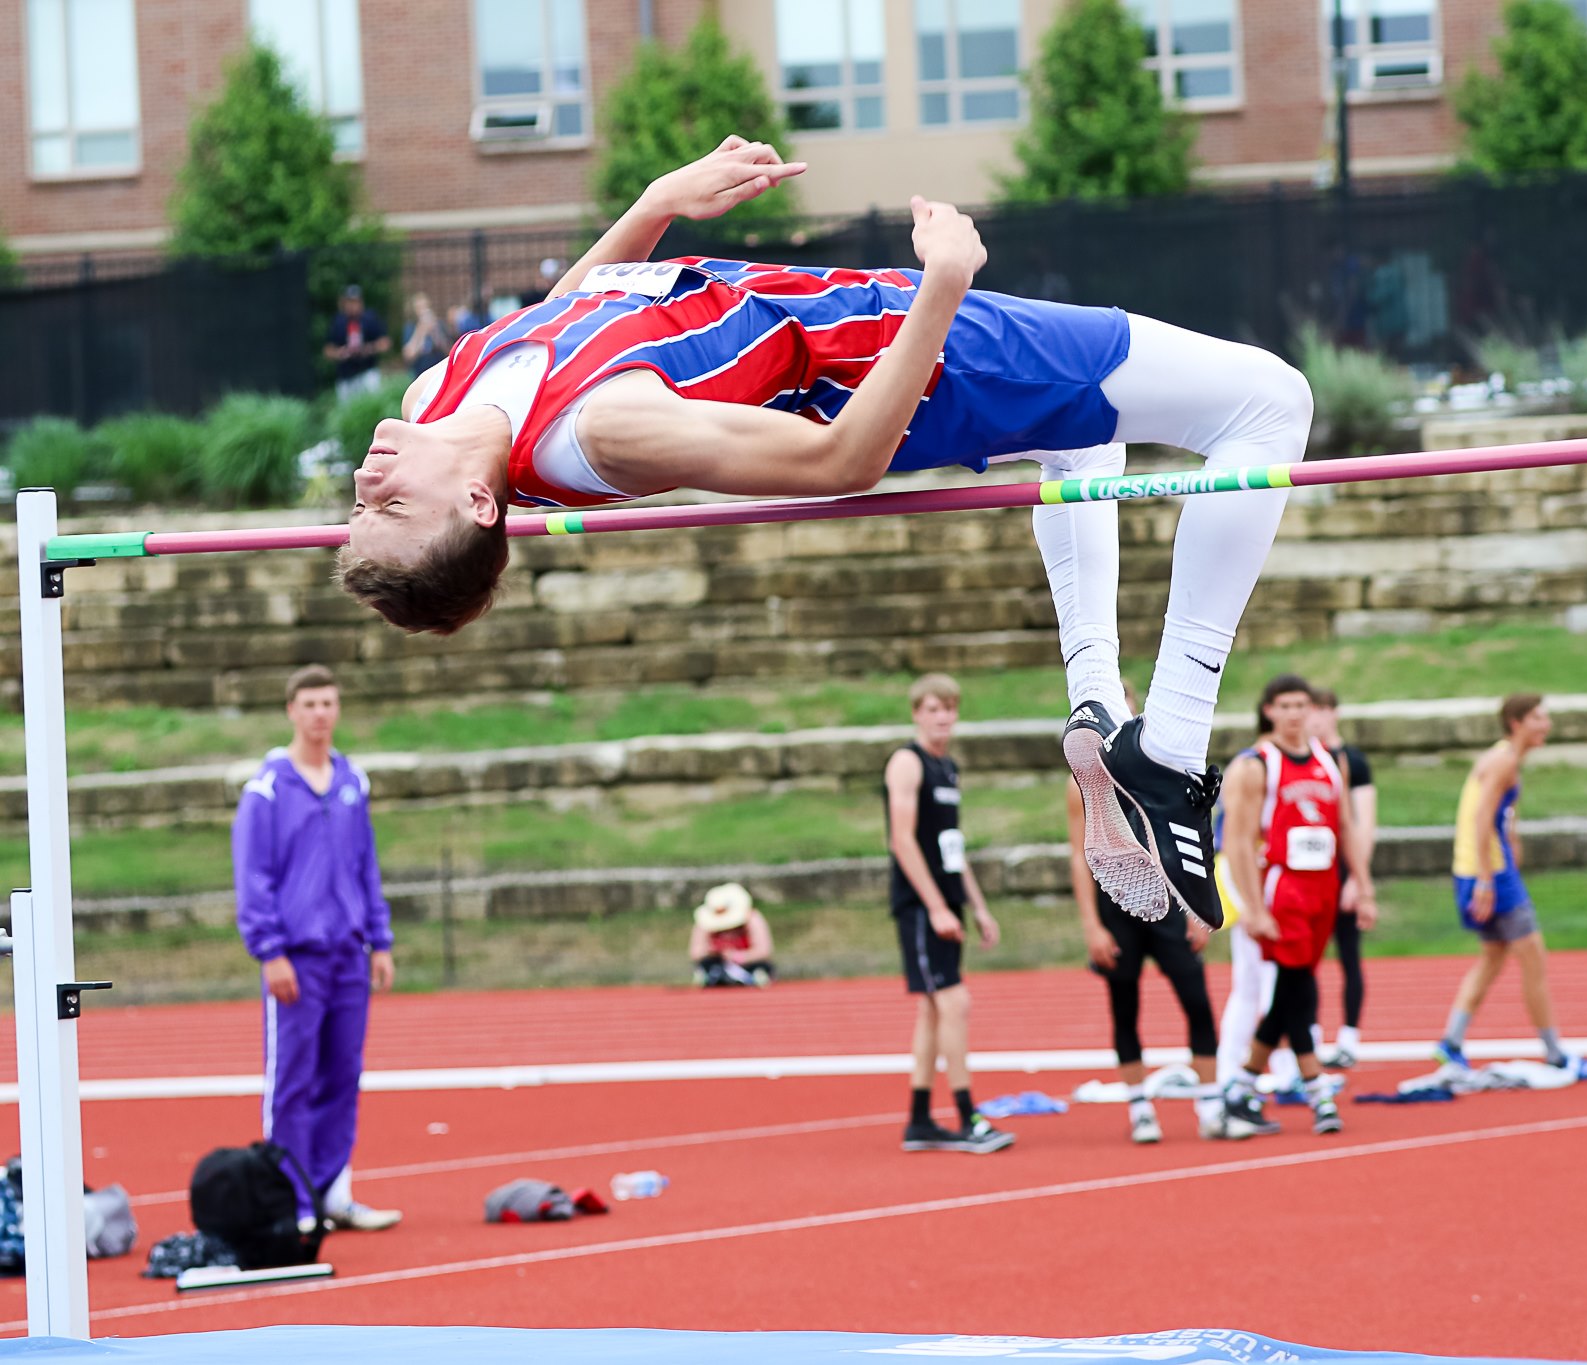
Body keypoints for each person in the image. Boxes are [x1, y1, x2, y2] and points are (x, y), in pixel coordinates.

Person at [342, 136, 1314, 933]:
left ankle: (1096, 700)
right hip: (907, 356)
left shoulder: (437, 396)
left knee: (1083, 446)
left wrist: (656, 202)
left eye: (360, 507)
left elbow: (560, 319)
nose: (365, 481)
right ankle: (1171, 745)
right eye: (391, 507)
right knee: (1269, 403)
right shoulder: (606, 433)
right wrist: (944, 284)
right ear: (480, 506)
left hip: (880, 323)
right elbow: (840, 461)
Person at [231, 665, 400, 1232]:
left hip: (348, 952)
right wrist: (269, 951)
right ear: (291, 711)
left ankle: (332, 1191)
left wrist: (380, 939)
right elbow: (253, 876)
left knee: (343, 1075)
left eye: (328, 703)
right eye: (309, 704)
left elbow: (365, 865)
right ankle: (293, 1202)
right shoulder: (267, 790)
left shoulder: (352, 781)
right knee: (293, 1081)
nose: (320, 713)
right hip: (296, 957)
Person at [1069, 684, 1262, 1143]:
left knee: (1196, 999)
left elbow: (1190, 829)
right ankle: (1140, 1108)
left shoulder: (1160, 759)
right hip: (1118, 904)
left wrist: (1198, 909)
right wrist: (1091, 925)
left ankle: (1211, 1107)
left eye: (1125, 703)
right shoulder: (1083, 774)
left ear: (1135, 710)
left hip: (1171, 901)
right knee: (1124, 1006)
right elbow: (1079, 854)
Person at [1218, 674, 1369, 1136]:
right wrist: (1252, 908)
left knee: (1294, 987)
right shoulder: (1256, 765)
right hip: (1283, 889)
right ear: (1268, 711)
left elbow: (1346, 826)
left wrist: (1363, 884)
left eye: (1301, 705)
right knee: (1297, 987)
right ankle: (1317, 1091)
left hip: (1323, 888)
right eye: (1284, 706)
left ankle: (1243, 1087)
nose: (1294, 714)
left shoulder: (1330, 761)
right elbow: (1237, 841)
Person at [1434, 695, 1587, 1079]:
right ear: (1516, 722)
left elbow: (1498, 814)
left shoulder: (1503, 757)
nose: (1546, 724)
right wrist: (1486, 878)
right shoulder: (1504, 761)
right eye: (1538, 718)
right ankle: (1556, 1055)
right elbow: (1480, 817)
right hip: (1490, 872)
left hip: (1477, 868)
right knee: (1534, 960)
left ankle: (1451, 1041)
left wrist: (1511, 842)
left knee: (1493, 956)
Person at [885, 674, 1012, 1154]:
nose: (943, 717)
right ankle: (968, 1117)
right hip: (921, 907)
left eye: (950, 708)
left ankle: (919, 1120)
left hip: (947, 903)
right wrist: (936, 907)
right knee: (954, 1003)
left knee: (933, 1010)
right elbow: (902, 840)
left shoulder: (948, 768)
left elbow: (951, 848)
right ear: (917, 713)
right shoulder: (907, 762)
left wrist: (977, 906)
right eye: (933, 709)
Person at [1308, 685, 1377, 1068]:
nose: (1314, 718)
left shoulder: (1353, 761)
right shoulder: (1300, 758)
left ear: (1334, 712)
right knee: (1305, 958)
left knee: (1349, 954)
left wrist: (1357, 879)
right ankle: (1310, 1037)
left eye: (1321, 709)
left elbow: (1363, 822)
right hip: (1309, 871)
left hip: (1342, 868)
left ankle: (1349, 1037)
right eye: (1310, 709)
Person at [689, 881, 775, 987]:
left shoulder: (752, 919)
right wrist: (713, 952)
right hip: (718, 963)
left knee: (761, 966)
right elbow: (696, 952)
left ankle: (752, 977)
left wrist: (739, 956)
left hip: (747, 964)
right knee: (708, 965)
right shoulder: (703, 923)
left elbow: (764, 950)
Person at [324, 285, 390, 399]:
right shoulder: (338, 321)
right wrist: (340, 353)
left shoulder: (370, 318)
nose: (353, 306)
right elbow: (327, 349)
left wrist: (370, 348)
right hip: (346, 376)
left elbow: (385, 343)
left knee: (373, 402)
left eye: (355, 302)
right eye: (350, 302)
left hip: (367, 372)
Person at [401, 292, 452, 378]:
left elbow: (449, 352)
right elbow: (408, 355)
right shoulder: (411, 327)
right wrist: (420, 331)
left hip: (439, 371)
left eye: (425, 306)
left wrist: (436, 332)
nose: (423, 310)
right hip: (420, 372)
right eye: (419, 307)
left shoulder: (438, 324)